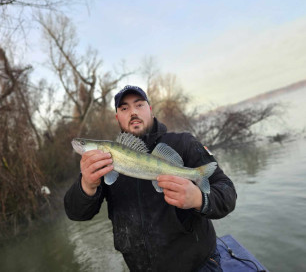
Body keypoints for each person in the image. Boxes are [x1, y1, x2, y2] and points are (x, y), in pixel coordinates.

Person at [64, 85, 237, 272]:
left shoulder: (183, 143)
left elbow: (226, 190)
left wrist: (199, 199)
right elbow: (76, 213)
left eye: (139, 105)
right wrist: (87, 185)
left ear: (150, 109)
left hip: (197, 265)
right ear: (117, 117)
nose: (133, 113)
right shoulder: (102, 163)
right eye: (124, 108)